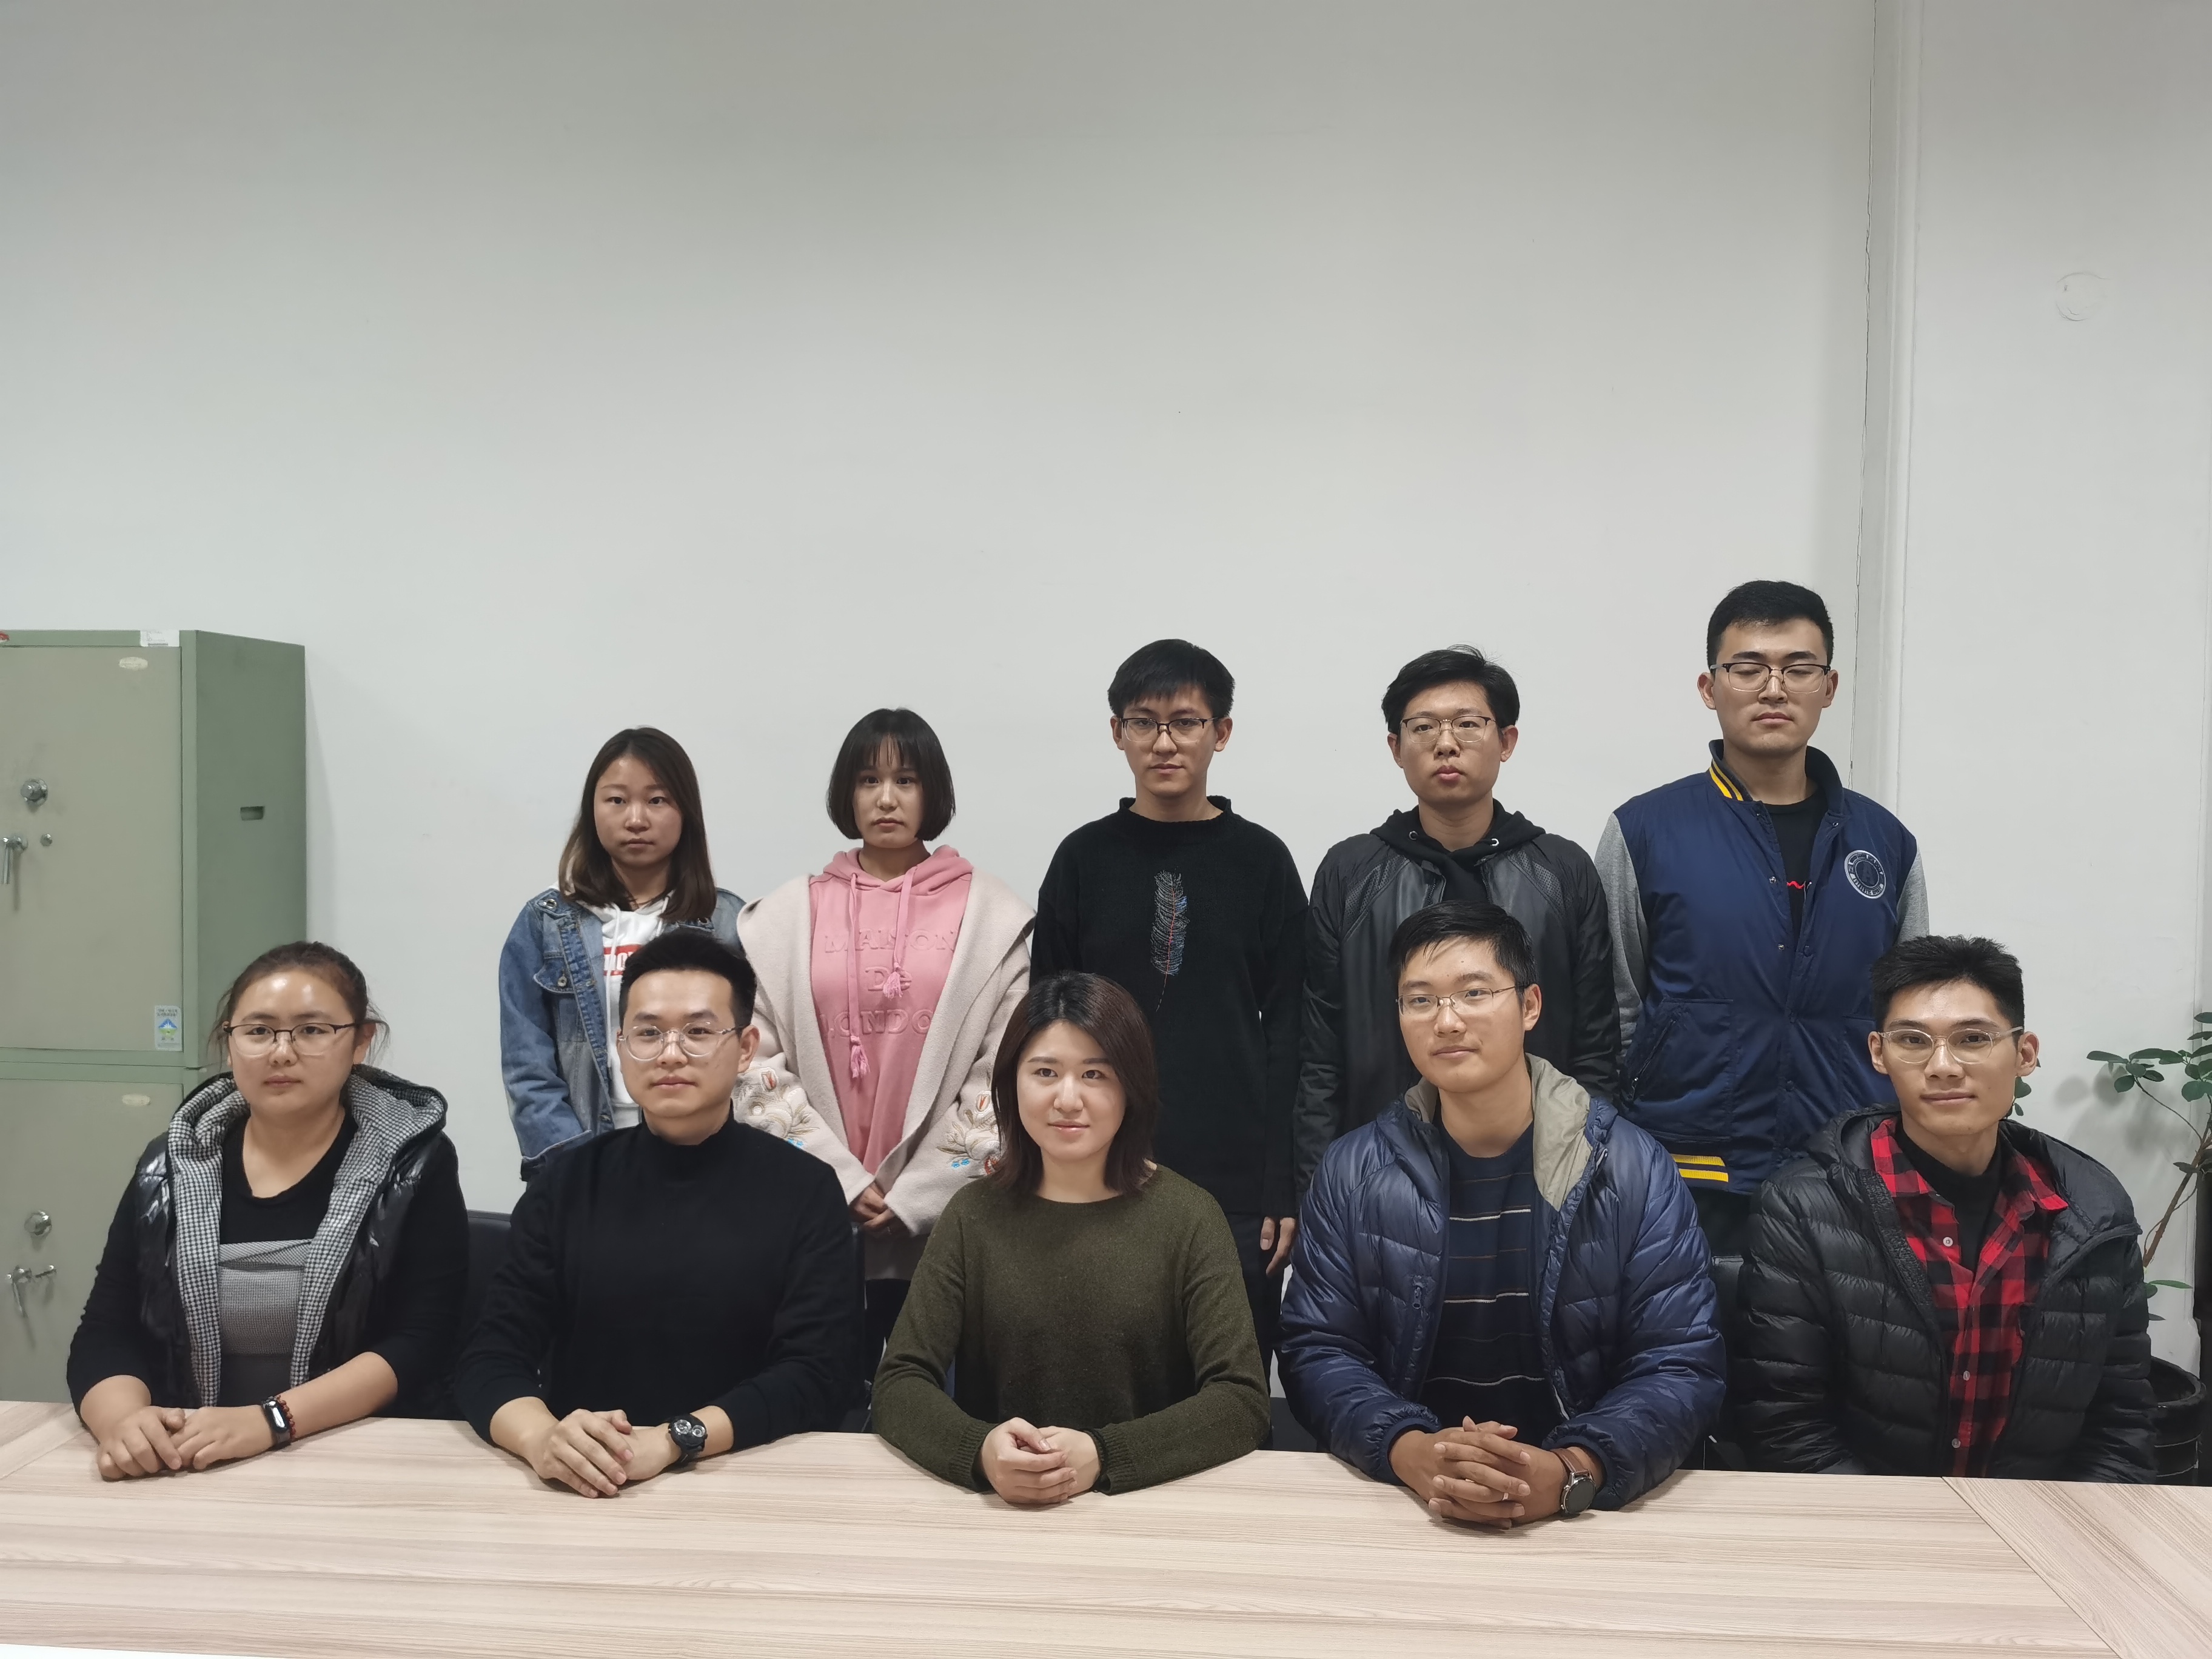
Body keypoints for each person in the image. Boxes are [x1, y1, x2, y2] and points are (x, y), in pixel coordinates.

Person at [1281, 902, 1721, 1524]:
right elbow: (1318, 1349)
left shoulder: (1631, 1168)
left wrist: (1571, 1470)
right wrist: (1411, 1450)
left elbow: (1680, 1363)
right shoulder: (1352, 1172)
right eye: (1420, 1001)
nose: (1447, 1021)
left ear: (1530, 1006)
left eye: (1474, 993)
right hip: (1406, 1506)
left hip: (1585, 1515)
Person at [1733, 936, 2153, 1481]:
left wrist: (2058, 1528)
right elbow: (1786, 1426)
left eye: (1973, 1039)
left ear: (2025, 1054)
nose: (1943, 1067)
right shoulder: (1804, 1208)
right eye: (1913, 1040)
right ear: (1878, 1054)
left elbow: (2120, 1428)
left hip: (2043, 1521)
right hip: (1861, 1521)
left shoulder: (2094, 1214)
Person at [458, 930, 857, 1496]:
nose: (671, 1053)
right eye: (648, 1033)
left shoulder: (806, 1190)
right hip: (590, 1486)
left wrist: (674, 1440)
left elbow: (817, 1374)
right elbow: (491, 1357)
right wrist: (543, 1440)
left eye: (698, 1032)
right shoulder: (566, 1184)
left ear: (746, 1047)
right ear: (621, 1047)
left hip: (749, 1480)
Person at [1594, 580, 1928, 1253]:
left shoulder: (1885, 842)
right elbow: (1612, 1005)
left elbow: (1913, 1014)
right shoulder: (1646, 830)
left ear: (1828, 688)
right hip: (1682, 1168)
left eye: (1798, 668)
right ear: (1709, 687)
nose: (1774, 689)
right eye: (1748, 668)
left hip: (1844, 1166)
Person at [68, 943, 467, 1481]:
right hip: (191, 1458)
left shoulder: (413, 1163)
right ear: (230, 1042)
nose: (281, 1053)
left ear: (361, 1042)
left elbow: (422, 1341)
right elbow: (105, 1329)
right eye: (258, 1031)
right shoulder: (170, 1163)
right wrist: (125, 1424)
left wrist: (272, 1421)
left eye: (312, 1030)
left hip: (355, 1459)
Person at [873, 972, 1270, 1500]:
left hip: (1149, 1506)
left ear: (1132, 1086)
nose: (1067, 1099)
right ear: (1011, 1082)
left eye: (1094, 1074)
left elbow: (1242, 1400)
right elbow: (900, 1381)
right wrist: (980, 1451)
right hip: (1002, 1513)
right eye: (1045, 1072)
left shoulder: (1190, 1217)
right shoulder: (972, 1215)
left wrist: (1106, 1455)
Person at [1031, 639, 1304, 1378]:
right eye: (1143, 722)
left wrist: (1282, 1183)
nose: (1164, 742)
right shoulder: (1082, 859)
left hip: (1235, 1178)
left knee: (1230, 1381)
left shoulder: (1263, 861)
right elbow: (1044, 1026)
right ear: (1116, 732)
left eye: (1186, 722)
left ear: (1222, 732)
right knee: (1104, 1376)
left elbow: (1290, 1030)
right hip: (1099, 1164)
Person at [736, 708, 1031, 1384]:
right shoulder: (788, 915)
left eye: (906, 780)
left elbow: (1007, 1068)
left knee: (936, 1403)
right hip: (816, 1217)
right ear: (847, 792)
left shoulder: (991, 915)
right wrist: (838, 1180)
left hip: (947, 1219)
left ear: (934, 792)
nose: (887, 798)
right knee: (815, 1402)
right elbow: (754, 1064)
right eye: (869, 780)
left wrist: (919, 1194)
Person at [1296, 645, 1618, 1197]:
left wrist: (1590, 1178)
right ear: (1396, 748)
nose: (1446, 743)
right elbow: (1320, 1053)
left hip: (1540, 1170)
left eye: (1468, 724)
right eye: (1424, 727)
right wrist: (1316, 1190)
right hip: (1381, 1173)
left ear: (1506, 741)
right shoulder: (1349, 873)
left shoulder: (1563, 871)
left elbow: (1596, 1046)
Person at [499, 727, 746, 1178]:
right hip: (580, 1154)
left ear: (686, 811)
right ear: (591, 810)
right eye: (617, 800)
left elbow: (747, 1055)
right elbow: (527, 1066)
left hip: (701, 1155)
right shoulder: (544, 922)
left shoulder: (729, 921)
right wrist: (575, 1168)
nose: (636, 819)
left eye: (657, 800)